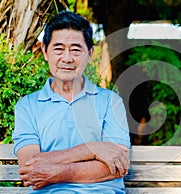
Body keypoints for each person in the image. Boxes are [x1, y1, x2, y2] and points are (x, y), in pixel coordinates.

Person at [12, 11, 131, 194]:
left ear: (90, 53)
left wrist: (55, 171)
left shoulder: (110, 102)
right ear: (45, 51)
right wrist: (92, 150)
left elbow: (117, 166)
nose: (67, 58)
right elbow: (30, 167)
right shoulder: (27, 106)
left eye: (76, 50)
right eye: (58, 49)